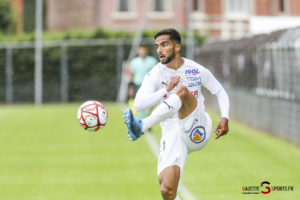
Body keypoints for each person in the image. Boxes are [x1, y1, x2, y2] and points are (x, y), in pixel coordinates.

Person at [124, 28, 229, 200]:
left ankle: (142, 126)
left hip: (196, 125)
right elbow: (139, 103)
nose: (159, 50)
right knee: (167, 190)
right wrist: (165, 90)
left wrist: (225, 117)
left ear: (177, 47)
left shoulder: (195, 69)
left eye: (164, 45)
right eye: (157, 46)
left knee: (181, 92)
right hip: (172, 131)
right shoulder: (156, 73)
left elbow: (220, 91)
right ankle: (142, 126)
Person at [129, 45, 157, 119]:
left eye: (143, 50)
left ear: (146, 51)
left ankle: (148, 120)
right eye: (140, 50)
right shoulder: (134, 62)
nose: (142, 52)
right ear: (138, 52)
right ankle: (141, 121)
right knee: (140, 103)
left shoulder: (152, 61)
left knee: (150, 103)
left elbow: (156, 74)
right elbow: (132, 75)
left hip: (149, 85)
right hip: (137, 85)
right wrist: (131, 87)